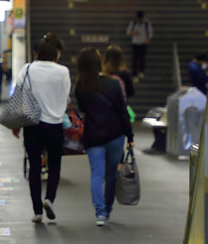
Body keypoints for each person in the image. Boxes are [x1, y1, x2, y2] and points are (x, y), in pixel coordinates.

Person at [12, 33, 71, 224]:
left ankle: (37, 212)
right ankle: (49, 199)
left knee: (34, 167)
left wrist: (16, 125)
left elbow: (18, 94)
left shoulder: (27, 69)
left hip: (32, 125)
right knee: (54, 165)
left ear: (37, 53)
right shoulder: (63, 72)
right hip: (54, 125)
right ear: (55, 54)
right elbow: (66, 96)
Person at [74, 48, 134, 226]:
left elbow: (84, 110)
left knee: (96, 174)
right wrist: (130, 136)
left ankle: (100, 213)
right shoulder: (112, 84)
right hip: (115, 135)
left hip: (94, 136)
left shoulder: (80, 88)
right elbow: (123, 111)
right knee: (111, 175)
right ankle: (107, 208)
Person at [126, 10, 153, 77]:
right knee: (135, 59)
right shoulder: (133, 23)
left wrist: (147, 40)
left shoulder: (146, 24)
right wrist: (133, 33)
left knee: (142, 58)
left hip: (143, 43)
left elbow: (150, 33)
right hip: (135, 43)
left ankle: (141, 71)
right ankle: (134, 73)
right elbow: (128, 32)